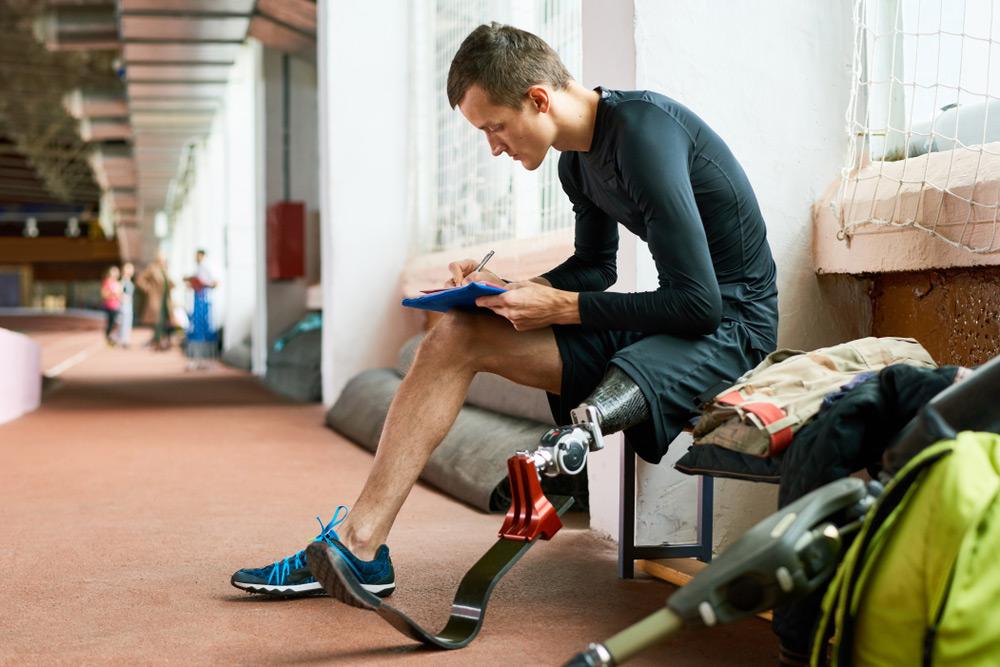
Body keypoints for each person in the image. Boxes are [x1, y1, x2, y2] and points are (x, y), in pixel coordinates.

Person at [232, 23, 778, 600]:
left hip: (731, 327)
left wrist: (561, 306)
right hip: (673, 323)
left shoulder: (644, 135)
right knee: (455, 335)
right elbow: (598, 268)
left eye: (495, 127)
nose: (494, 146)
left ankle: (561, 452)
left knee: (611, 370)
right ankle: (360, 547)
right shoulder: (575, 162)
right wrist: (510, 288)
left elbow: (699, 302)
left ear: (539, 99)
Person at [183, 249, 218, 370]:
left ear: (203, 256)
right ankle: (196, 359)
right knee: (195, 329)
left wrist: (201, 284)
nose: (197, 258)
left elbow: (213, 283)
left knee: (205, 329)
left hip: (204, 303)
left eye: (199, 256)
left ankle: (206, 360)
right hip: (196, 302)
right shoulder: (196, 270)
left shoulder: (207, 269)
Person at [136, 254, 176, 351]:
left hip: (165, 300)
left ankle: (162, 340)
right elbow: (140, 280)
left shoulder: (165, 270)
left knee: (166, 320)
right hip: (156, 298)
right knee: (158, 320)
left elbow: (168, 283)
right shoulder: (152, 268)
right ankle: (158, 341)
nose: (163, 261)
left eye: (164, 260)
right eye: (162, 259)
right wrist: (148, 288)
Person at [99, 266, 122, 345]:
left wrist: (117, 295)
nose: (114, 275)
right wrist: (112, 294)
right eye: (113, 273)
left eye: (116, 273)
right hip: (109, 306)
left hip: (116, 306)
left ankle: (113, 338)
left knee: (116, 323)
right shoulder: (107, 282)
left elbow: (120, 295)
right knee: (110, 323)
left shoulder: (118, 283)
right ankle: (108, 337)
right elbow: (104, 294)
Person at [116, 262, 135, 348]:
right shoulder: (123, 281)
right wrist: (124, 298)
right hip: (124, 304)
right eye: (129, 268)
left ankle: (125, 339)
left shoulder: (129, 280)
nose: (131, 270)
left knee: (128, 322)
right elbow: (119, 292)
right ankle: (123, 340)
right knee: (124, 322)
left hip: (129, 304)